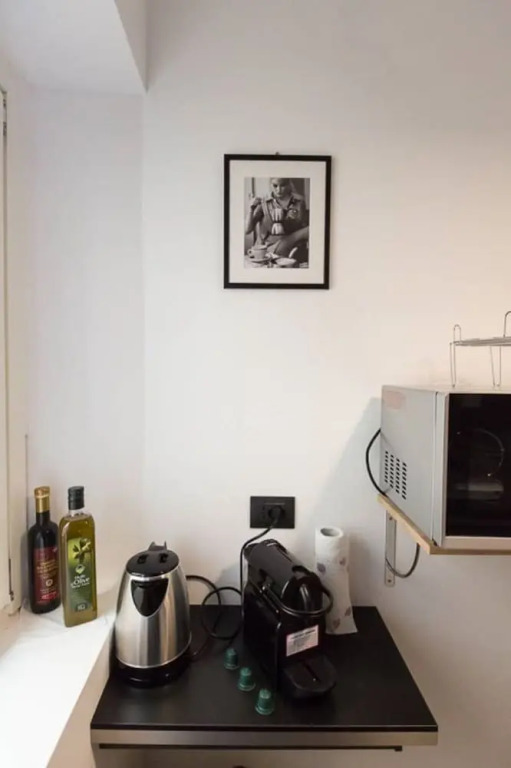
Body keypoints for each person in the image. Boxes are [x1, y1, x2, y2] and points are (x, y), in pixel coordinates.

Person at [245, 178, 309, 262]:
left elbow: (302, 226)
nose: (279, 190)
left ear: (289, 184)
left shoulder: (299, 201)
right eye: (275, 186)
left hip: (290, 247)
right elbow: (247, 230)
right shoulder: (264, 202)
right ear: (270, 185)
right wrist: (251, 209)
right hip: (267, 249)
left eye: (283, 185)